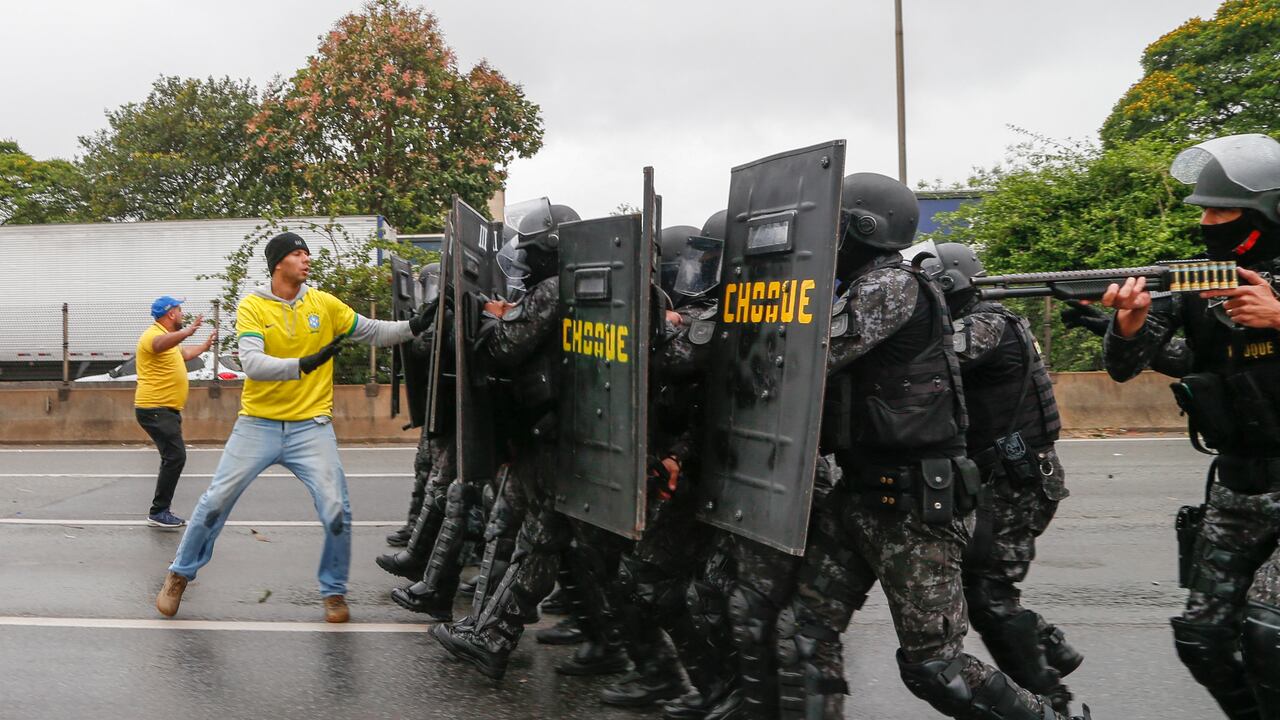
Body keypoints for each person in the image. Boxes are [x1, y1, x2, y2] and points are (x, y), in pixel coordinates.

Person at [774, 173, 1088, 720]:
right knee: (801, 630)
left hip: (913, 504)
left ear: (860, 229)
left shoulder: (891, 287)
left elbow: (808, 350)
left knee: (936, 669)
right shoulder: (867, 289)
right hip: (860, 494)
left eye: (834, 226)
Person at [154, 231, 430, 623]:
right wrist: (304, 364)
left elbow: (372, 330)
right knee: (214, 501)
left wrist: (415, 326)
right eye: (298, 254)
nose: (306, 260)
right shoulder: (253, 307)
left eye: (307, 253)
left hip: (311, 427)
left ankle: (334, 591)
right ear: (278, 263)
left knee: (337, 509)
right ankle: (179, 574)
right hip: (258, 424)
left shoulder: (324, 304)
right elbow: (252, 363)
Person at [1101, 133, 1280, 719]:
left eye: (1220, 210)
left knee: (1266, 633)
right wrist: (1129, 323)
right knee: (1202, 638)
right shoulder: (1197, 281)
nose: (1205, 221)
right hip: (1237, 486)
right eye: (1202, 209)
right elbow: (1126, 366)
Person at [927, 242, 1082, 715]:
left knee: (990, 598)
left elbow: (930, 357)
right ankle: (1048, 645)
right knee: (982, 588)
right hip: (1008, 477)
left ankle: (1049, 700)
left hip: (1020, 480)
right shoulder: (986, 318)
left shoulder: (985, 324)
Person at [134, 295, 215, 529]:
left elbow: (185, 355)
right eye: (179, 310)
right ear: (170, 313)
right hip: (154, 409)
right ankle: (158, 511)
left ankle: (160, 510)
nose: (182, 314)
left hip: (164, 410)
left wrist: (204, 346)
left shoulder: (170, 341)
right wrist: (188, 331)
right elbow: (159, 344)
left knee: (172, 457)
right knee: (176, 456)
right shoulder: (153, 336)